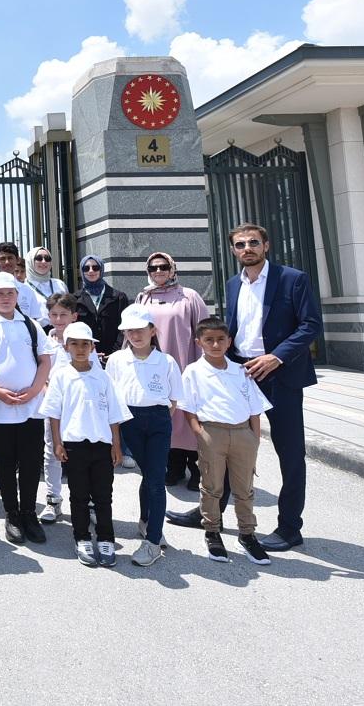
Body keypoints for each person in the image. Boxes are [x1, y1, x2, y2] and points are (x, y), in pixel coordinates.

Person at [226, 223, 320, 551]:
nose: (247, 248)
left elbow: (311, 324)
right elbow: (235, 329)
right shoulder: (233, 284)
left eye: (253, 242)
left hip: (280, 375)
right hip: (242, 374)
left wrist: (276, 357)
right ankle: (211, 512)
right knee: (223, 444)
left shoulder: (292, 279)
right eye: (240, 244)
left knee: (290, 454)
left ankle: (290, 527)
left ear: (266, 245)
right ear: (234, 250)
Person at [180, 316, 273, 566]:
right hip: (212, 432)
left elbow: (254, 407)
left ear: (229, 342)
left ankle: (247, 534)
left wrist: (254, 437)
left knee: (244, 488)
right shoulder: (193, 371)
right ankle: (212, 531)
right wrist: (199, 432)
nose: (215, 345)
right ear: (199, 342)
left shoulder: (240, 371)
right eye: (209, 340)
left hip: (243, 433)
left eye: (221, 339)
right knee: (212, 486)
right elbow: (188, 407)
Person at [0, 271, 53, 545]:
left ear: (17, 296)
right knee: (6, 462)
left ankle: (29, 512)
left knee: (31, 461)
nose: (5, 298)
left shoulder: (31, 324)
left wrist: (34, 390)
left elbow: (45, 360)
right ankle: (12, 513)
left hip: (31, 406)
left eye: (10, 293)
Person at [46, 321, 130, 567]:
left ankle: (106, 538)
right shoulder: (61, 376)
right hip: (74, 445)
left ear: (93, 347)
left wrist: (116, 445)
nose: (80, 349)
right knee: (79, 495)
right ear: (66, 347)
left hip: (102, 445)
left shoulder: (103, 377)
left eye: (85, 344)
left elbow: (114, 414)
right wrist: (58, 443)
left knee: (103, 496)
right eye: (74, 344)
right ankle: (81, 537)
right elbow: (54, 413)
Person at [104, 305, 182, 567]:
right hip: (128, 421)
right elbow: (110, 397)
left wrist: (159, 418)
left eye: (140, 330)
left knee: (156, 479)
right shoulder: (116, 360)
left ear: (153, 331)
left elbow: (174, 399)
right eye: (129, 331)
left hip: (159, 420)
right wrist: (116, 437)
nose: (135, 335)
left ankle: (152, 541)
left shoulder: (166, 361)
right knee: (149, 475)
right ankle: (146, 520)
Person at [133, 251, 208, 490]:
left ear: (173, 268)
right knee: (166, 416)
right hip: (156, 368)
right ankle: (174, 466)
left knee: (188, 414)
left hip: (186, 362)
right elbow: (133, 332)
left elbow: (204, 331)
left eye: (163, 266)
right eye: (153, 268)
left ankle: (196, 468)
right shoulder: (143, 298)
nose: (158, 271)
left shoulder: (189, 296)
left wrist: (205, 363)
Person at [35, 292, 78, 525]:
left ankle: (87, 502)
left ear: (74, 316)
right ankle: (53, 499)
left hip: (78, 406)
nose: (59, 319)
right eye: (54, 315)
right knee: (52, 451)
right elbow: (39, 373)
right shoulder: (44, 341)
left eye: (64, 314)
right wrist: (47, 392)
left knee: (80, 452)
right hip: (52, 406)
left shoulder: (83, 340)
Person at [73, 254, 130, 357]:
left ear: (101, 270)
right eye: (86, 268)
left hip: (114, 355)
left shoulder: (118, 297)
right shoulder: (75, 299)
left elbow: (124, 327)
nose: (91, 271)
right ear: (82, 271)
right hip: (86, 355)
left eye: (95, 267)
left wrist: (115, 353)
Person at [0, 241, 47, 324]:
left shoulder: (28, 291)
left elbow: (33, 321)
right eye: (2, 259)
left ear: (17, 260)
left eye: (10, 258)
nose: (7, 262)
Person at [25, 246, 68, 313]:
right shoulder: (24, 287)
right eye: (39, 258)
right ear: (30, 261)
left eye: (47, 258)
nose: (43, 261)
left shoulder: (60, 284)